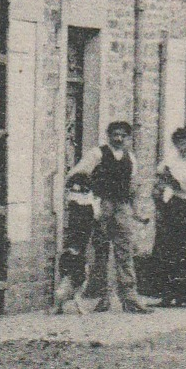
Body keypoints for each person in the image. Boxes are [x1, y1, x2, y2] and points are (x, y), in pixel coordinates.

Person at [66, 121, 151, 314]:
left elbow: (132, 186)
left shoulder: (131, 158)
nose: (119, 138)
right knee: (100, 252)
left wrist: (136, 211)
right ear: (108, 135)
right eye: (115, 134)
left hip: (122, 207)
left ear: (128, 138)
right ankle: (101, 298)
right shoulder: (97, 154)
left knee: (124, 251)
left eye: (123, 135)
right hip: (101, 205)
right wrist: (86, 197)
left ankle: (129, 298)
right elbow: (76, 174)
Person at [151, 127, 186, 308]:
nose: (185, 147)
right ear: (176, 145)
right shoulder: (168, 164)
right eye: (181, 143)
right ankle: (167, 295)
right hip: (172, 208)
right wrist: (162, 205)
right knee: (169, 249)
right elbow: (158, 188)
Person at [52, 175, 97, 314]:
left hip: (75, 244)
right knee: (77, 269)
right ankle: (71, 297)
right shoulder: (85, 206)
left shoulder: (74, 204)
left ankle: (62, 301)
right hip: (77, 245)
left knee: (72, 268)